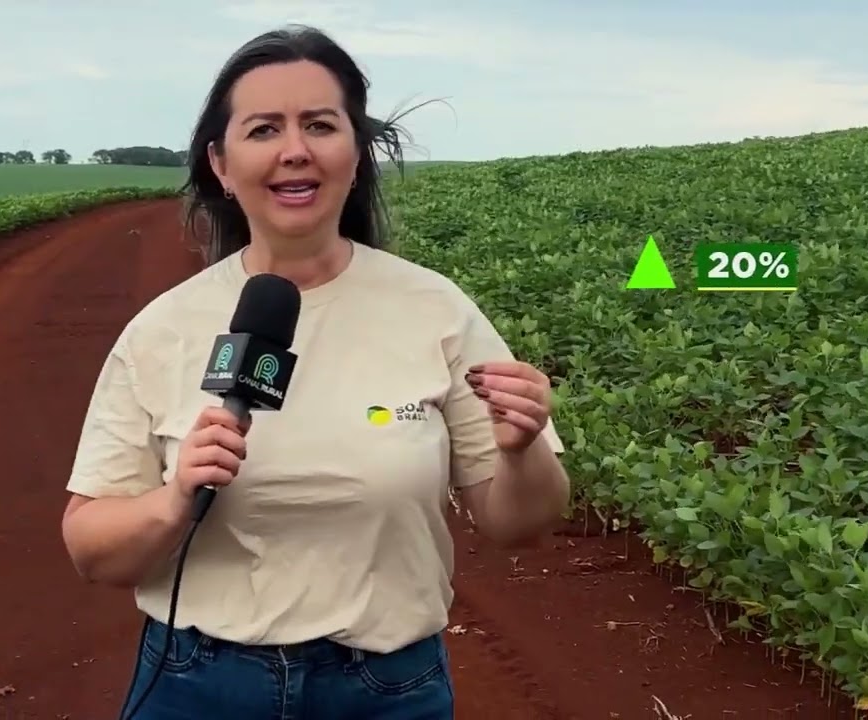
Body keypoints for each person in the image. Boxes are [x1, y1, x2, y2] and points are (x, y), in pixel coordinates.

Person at [60, 24, 571, 720]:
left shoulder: (437, 311)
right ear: (221, 162)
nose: (294, 150)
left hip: (388, 692)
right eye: (264, 128)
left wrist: (522, 449)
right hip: (198, 686)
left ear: (355, 154)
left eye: (320, 125)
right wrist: (176, 498)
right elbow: (92, 550)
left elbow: (522, 523)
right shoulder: (161, 330)